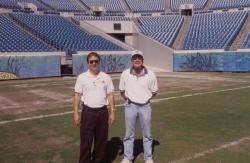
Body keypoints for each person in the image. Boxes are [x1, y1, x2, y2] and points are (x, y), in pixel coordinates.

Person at [73, 52, 116, 163]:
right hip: (88, 112)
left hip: (102, 112)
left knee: (101, 141)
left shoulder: (106, 77)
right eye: (91, 61)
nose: (94, 63)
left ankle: (98, 160)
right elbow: (77, 94)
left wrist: (112, 112)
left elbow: (110, 94)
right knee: (86, 141)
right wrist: (76, 113)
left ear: (99, 62)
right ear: (88, 63)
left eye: (96, 61)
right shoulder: (82, 77)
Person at [119, 50, 158, 163]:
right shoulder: (125, 73)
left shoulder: (151, 74)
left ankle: (148, 157)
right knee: (128, 134)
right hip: (130, 106)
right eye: (135, 58)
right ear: (131, 60)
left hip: (145, 106)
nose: (137, 60)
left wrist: (145, 99)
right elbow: (122, 91)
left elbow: (154, 92)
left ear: (142, 60)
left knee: (147, 134)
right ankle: (128, 157)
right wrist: (129, 100)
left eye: (139, 58)